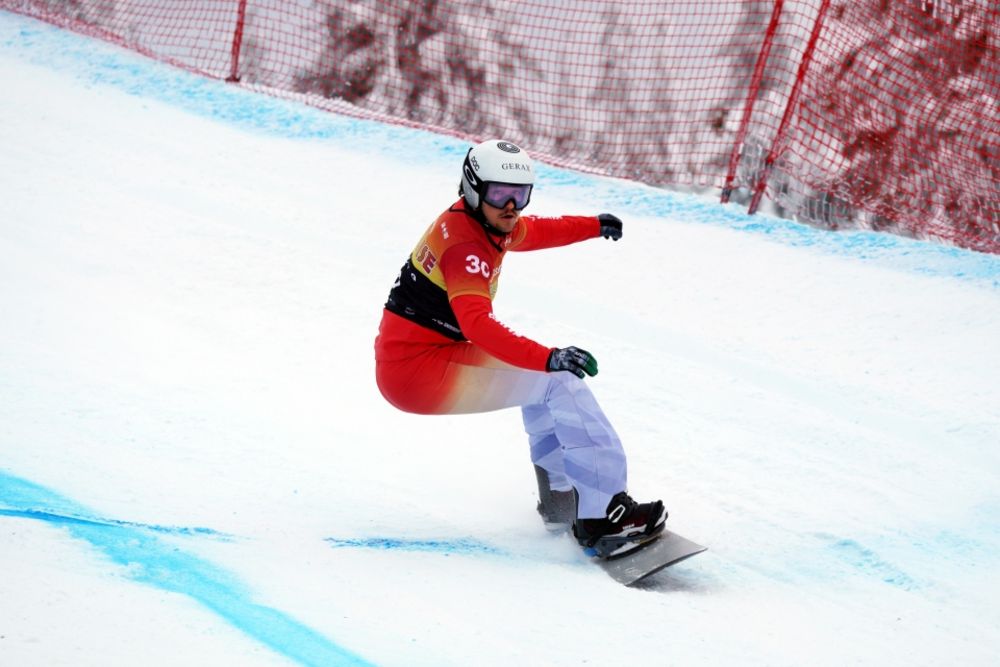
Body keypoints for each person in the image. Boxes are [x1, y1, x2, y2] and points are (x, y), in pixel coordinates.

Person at [374, 139, 666, 557]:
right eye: (499, 194)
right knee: (559, 381)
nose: (511, 206)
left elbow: (536, 231)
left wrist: (591, 225)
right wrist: (548, 356)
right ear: (473, 188)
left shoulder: (483, 221)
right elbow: (477, 325)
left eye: (521, 194)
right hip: (419, 371)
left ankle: (561, 502)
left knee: (544, 386)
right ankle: (603, 517)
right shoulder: (466, 246)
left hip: (420, 358)